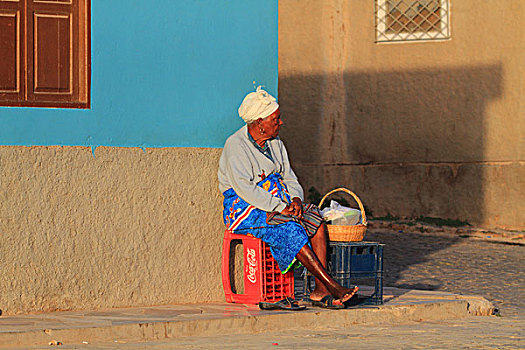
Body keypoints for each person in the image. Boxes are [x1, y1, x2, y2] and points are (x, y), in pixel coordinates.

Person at [218, 86, 358, 308]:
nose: (280, 123)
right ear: (259, 123)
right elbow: (245, 188)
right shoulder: (236, 146)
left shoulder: (276, 144)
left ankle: (320, 291)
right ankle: (332, 285)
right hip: (246, 209)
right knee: (289, 228)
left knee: (314, 219)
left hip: (279, 203)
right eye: (276, 119)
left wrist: (294, 200)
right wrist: (278, 206)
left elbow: (290, 178)